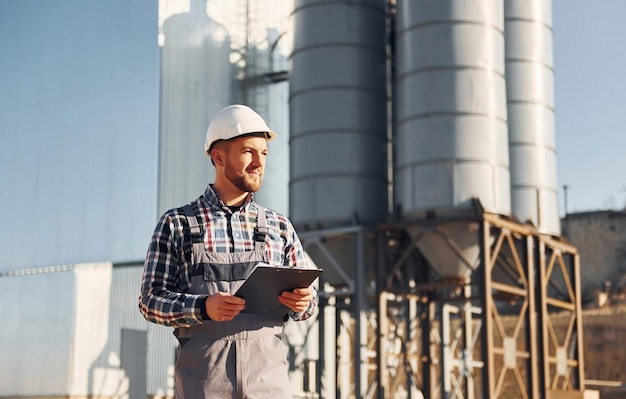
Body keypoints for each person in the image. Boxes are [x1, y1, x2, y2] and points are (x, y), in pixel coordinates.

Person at [139, 104, 318, 398]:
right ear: (218, 156)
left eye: (264, 153)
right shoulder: (177, 224)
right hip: (205, 386)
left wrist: (303, 302)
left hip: (268, 386)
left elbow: (309, 307)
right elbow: (150, 301)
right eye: (248, 151)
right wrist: (202, 307)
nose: (259, 162)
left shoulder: (280, 227)